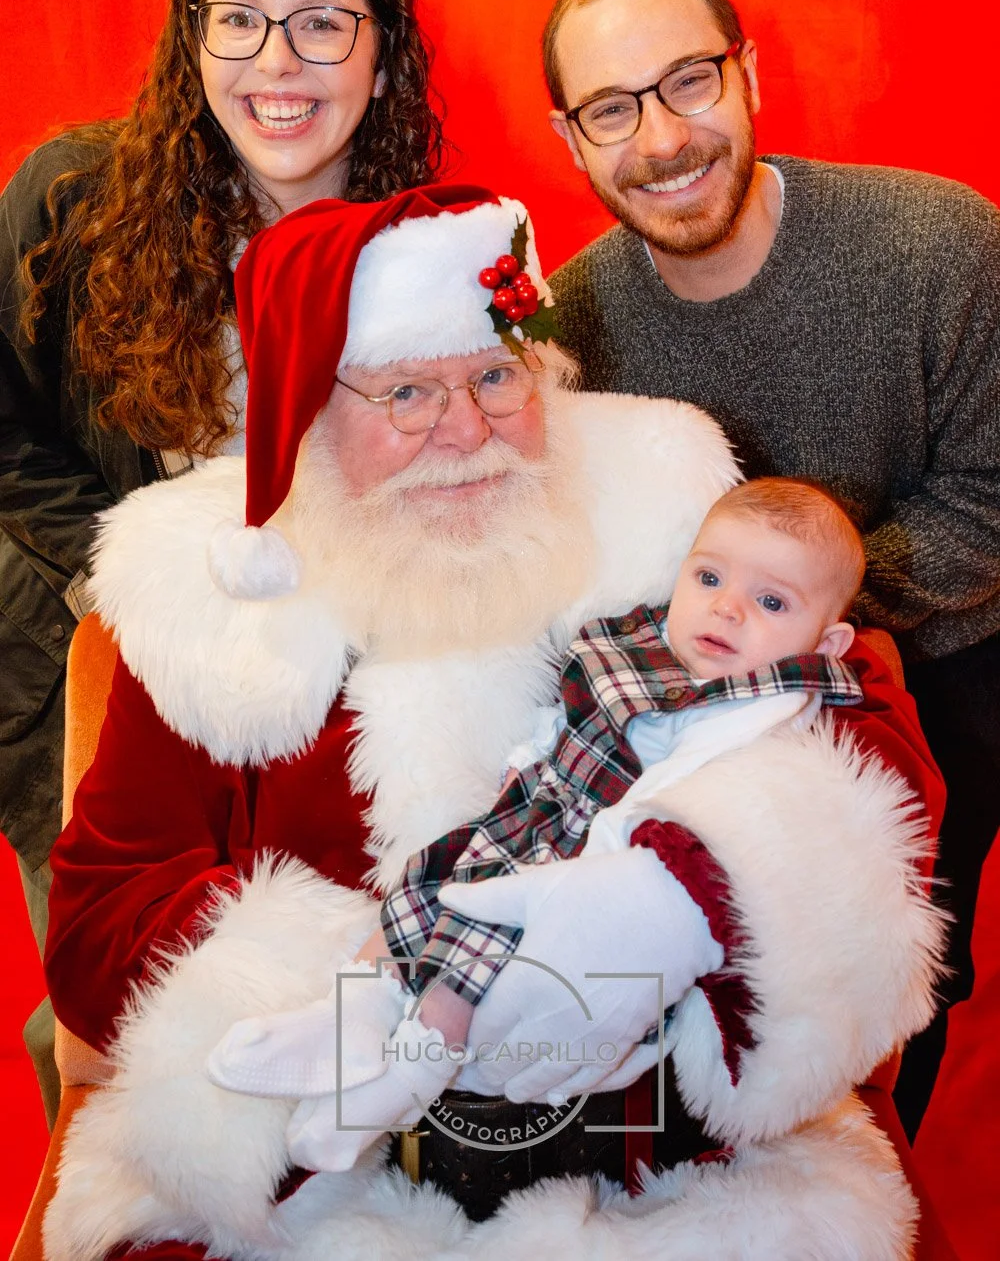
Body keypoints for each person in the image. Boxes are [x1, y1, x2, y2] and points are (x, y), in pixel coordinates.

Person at [40, 186, 943, 1261]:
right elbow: (101, 915)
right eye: (407, 393)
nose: (465, 431)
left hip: (660, 1170)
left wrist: (676, 900)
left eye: (494, 378)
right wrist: (380, 987)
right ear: (313, 419)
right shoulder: (208, 601)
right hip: (326, 1181)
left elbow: (866, 744)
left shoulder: (663, 514)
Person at [0, 0, 441, 1120]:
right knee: (97, 1029)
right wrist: (133, 570)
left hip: (326, 697)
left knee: (317, 1014)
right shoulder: (72, 201)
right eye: (237, 18)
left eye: (320, 22)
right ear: (193, 32)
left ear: (379, 48)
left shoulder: (421, 241)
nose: (275, 62)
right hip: (99, 669)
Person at [543, 0, 1000, 1135]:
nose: (660, 139)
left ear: (747, 76)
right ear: (571, 140)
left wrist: (796, 634)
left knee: (882, 986)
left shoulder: (940, 246)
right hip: (677, 687)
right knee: (674, 965)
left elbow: (990, 499)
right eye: (610, 108)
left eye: (687, 80)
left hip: (936, 676)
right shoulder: (572, 322)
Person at [206, 475, 871, 1176]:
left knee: (476, 951)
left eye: (771, 602)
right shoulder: (650, 643)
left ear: (827, 643)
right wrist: (528, 762)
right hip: (537, 807)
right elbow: (570, 715)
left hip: (590, 866)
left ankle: (411, 1076)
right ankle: (356, 1015)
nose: (727, 609)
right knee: (424, 883)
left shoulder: (758, 706)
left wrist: (602, 873)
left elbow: (684, 798)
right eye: (708, 576)